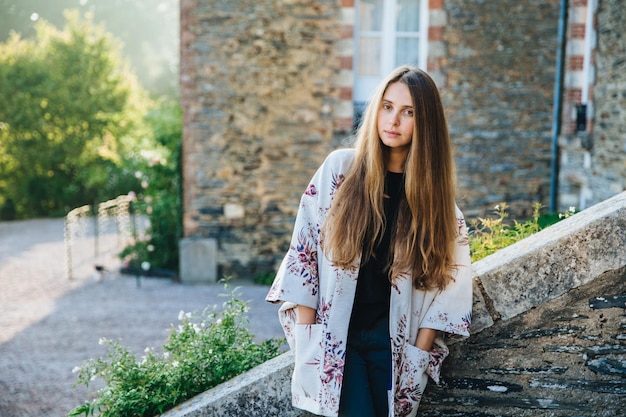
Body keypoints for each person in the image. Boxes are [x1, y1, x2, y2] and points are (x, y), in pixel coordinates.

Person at [265, 66, 472, 417]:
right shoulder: (340, 172)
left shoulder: (441, 210)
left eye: (409, 112)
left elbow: (448, 290)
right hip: (336, 341)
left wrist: (417, 357)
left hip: (393, 348)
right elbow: (304, 254)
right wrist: (308, 337)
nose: (393, 120)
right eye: (387, 107)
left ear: (427, 124)